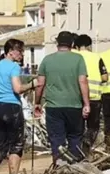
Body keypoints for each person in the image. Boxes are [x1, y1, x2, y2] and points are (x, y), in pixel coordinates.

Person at [0, 39, 38, 174]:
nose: (22, 55)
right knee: (16, 144)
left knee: (1, 144)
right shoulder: (14, 67)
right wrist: (32, 85)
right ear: (10, 52)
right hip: (12, 107)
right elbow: (17, 89)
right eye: (20, 51)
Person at [35, 31, 90, 163]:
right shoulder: (78, 59)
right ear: (71, 43)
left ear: (57, 43)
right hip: (74, 106)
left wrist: (37, 102)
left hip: (54, 107)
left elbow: (40, 83)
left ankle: (59, 167)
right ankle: (74, 167)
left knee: (57, 140)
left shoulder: (47, 60)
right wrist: (86, 104)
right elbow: (83, 81)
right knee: (75, 139)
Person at [75, 34, 109, 156]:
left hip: (77, 98)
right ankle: (87, 148)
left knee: (77, 126)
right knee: (93, 126)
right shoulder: (97, 57)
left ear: (78, 46)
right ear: (89, 45)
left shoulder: (74, 56)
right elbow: (105, 77)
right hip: (94, 97)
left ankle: (76, 151)